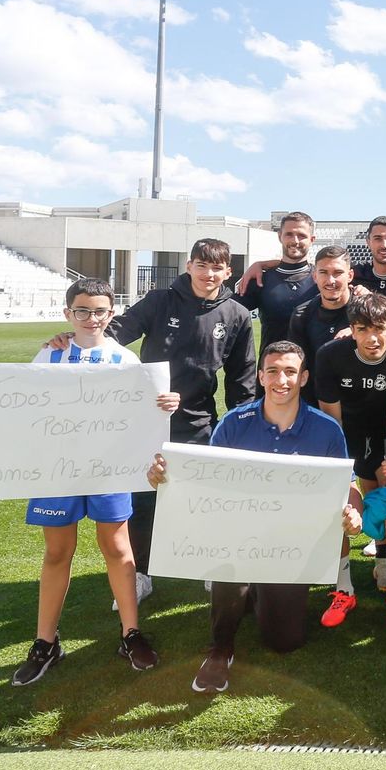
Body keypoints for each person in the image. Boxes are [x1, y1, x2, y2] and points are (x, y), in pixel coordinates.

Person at [0, 278, 179, 685]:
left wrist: (165, 402)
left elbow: (144, 417)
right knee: (58, 553)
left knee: (117, 547)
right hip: (55, 470)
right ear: (67, 314)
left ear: (111, 315)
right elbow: (18, 403)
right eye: (82, 311)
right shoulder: (50, 352)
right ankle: (46, 642)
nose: (90, 318)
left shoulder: (125, 361)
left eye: (99, 311)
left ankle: (130, 633)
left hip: (108, 469)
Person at [147, 340, 363, 694]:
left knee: (284, 641)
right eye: (274, 371)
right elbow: (207, 483)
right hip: (238, 538)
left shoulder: (326, 429)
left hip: (291, 545)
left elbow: (348, 486)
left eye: (291, 372)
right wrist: (164, 477)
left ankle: (258, 591)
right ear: (261, 376)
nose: (282, 380)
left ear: (304, 377)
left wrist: (353, 512)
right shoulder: (234, 423)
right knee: (229, 564)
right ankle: (220, 648)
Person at [91, 238, 256, 603]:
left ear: (228, 272)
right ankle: (141, 573)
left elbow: (242, 379)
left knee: (204, 499)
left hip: (199, 422)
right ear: (189, 265)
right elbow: (113, 338)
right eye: (201, 264)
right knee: (144, 500)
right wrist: (78, 340)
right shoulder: (159, 301)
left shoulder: (237, 315)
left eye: (216, 267)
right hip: (146, 422)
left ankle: (213, 566)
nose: (208, 273)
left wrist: (241, 427)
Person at [312, 293, 386, 628]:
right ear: (352, 330)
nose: (372, 338)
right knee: (343, 502)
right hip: (349, 430)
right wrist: (342, 473)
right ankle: (344, 588)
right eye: (363, 329)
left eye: (380, 329)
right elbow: (332, 419)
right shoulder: (330, 355)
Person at [235, 211, 318, 347]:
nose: (295, 241)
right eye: (289, 234)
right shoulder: (261, 278)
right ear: (280, 236)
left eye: (302, 235)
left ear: (312, 239)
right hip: (272, 366)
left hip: (312, 367)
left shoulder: (323, 281)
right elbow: (227, 310)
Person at [287, 245, 355, 408]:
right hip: (316, 405)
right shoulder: (301, 314)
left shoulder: (366, 312)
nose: (330, 281)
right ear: (315, 276)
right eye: (324, 272)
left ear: (350, 275)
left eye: (338, 273)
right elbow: (297, 365)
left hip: (361, 404)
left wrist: (358, 331)